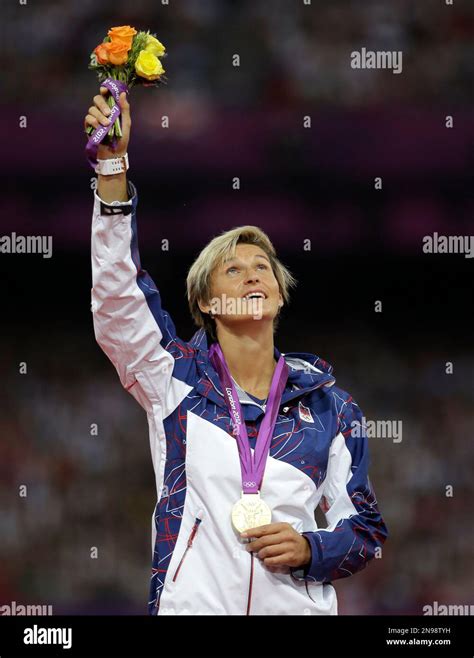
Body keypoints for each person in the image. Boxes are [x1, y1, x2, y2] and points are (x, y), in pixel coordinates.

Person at [85, 87, 388, 616]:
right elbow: (117, 296)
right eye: (233, 268)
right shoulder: (175, 378)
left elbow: (365, 530)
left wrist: (311, 548)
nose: (252, 273)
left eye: (262, 267)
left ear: (278, 291)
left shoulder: (331, 409)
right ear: (205, 301)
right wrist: (113, 169)